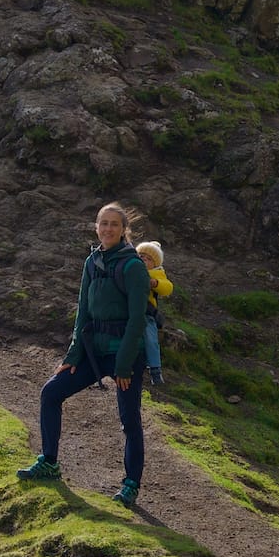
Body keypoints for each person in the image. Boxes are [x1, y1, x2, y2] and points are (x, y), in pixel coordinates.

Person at [17, 202, 152, 507]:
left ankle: (131, 485)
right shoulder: (91, 262)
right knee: (51, 392)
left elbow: (137, 320)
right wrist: (73, 356)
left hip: (126, 355)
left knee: (129, 419)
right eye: (103, 223)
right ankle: (49, 462)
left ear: (123, 230)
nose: (108, 229)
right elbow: (83, 313)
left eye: (114, 224)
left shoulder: (133, 267)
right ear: (96, 227)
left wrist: (124, 365)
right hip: (94, 352)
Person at [136, 239, 172, 386]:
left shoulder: (156, 274)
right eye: (141, 256)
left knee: (151, 339)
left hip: (145, 312)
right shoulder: (130, 268)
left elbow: (167, 288)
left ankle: (155, 370)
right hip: (127, 311)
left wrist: (155, 283)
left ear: (155, 264)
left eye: (149, 258)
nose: (144, 259)